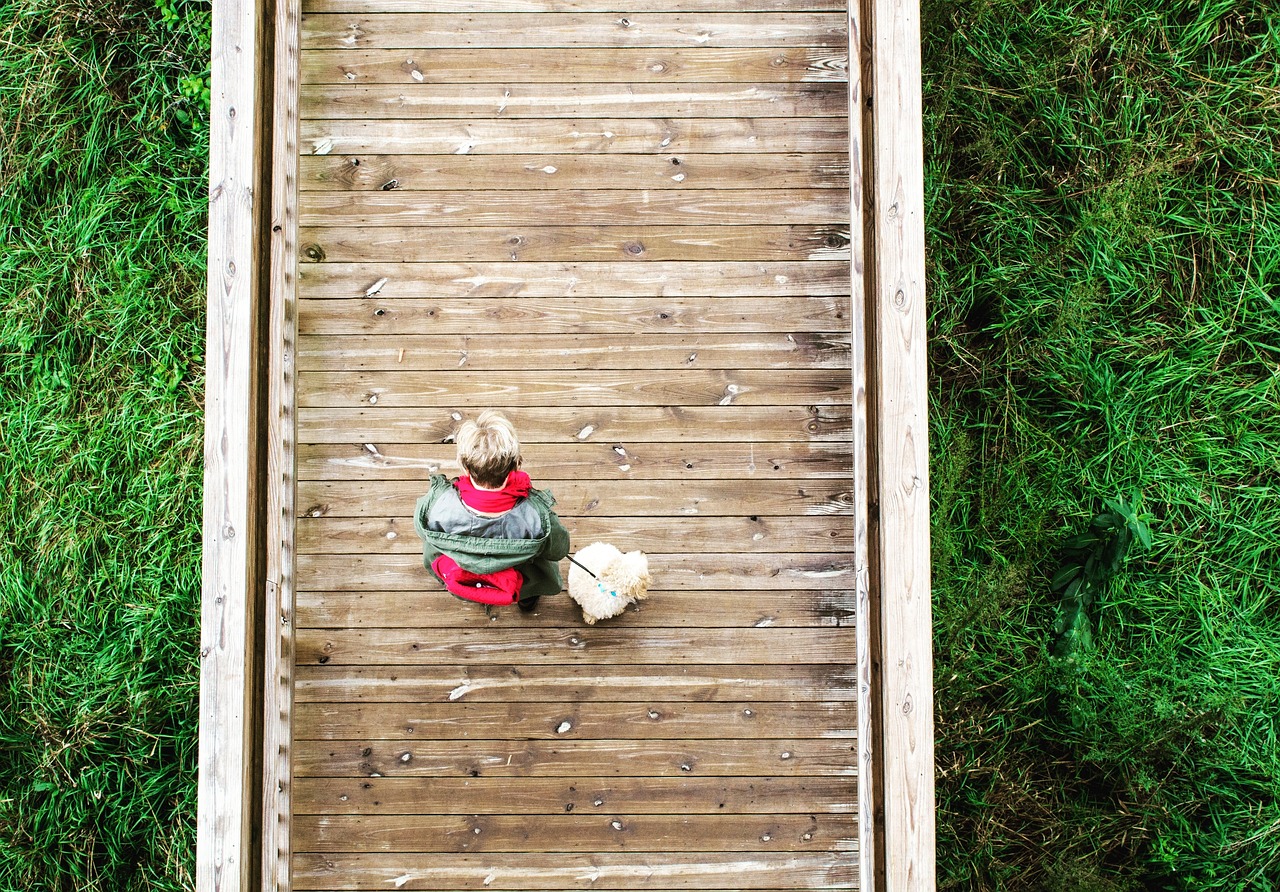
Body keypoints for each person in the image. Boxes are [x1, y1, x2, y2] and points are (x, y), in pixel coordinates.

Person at [413, 411, 570, 611]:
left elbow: (421, 530)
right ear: (516, 464)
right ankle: (526, 599)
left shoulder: (438, 504)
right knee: (531, 581)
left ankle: (478, 591)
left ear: (465, 466)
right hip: (519, 578)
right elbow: (559, 550)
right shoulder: (536, 516)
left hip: (462, 573)